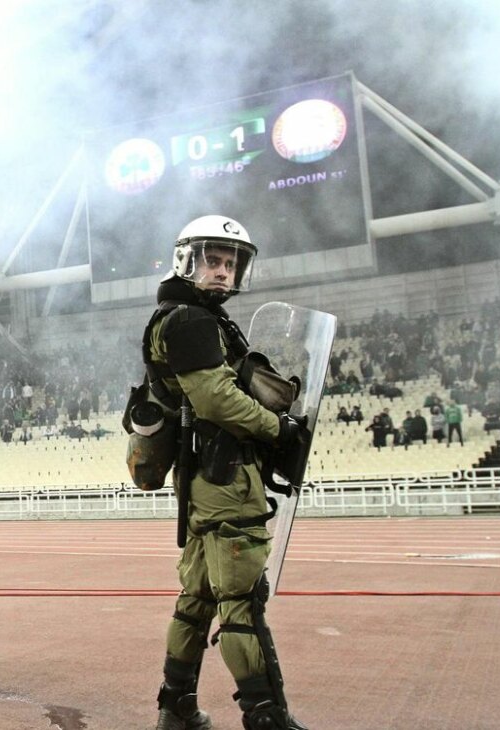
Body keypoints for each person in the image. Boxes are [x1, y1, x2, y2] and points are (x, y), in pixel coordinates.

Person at [139, 216, 308, 729]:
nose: (224, 272)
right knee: (241, 600)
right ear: (186, 260)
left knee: (198, 599)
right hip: (225, 477)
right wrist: (279, 430)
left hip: (205, 477)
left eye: (232, 263)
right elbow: (215, 399)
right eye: (213, 260)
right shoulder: (190, 320)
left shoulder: (188, 316)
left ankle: (177, 707)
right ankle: (266, 717)